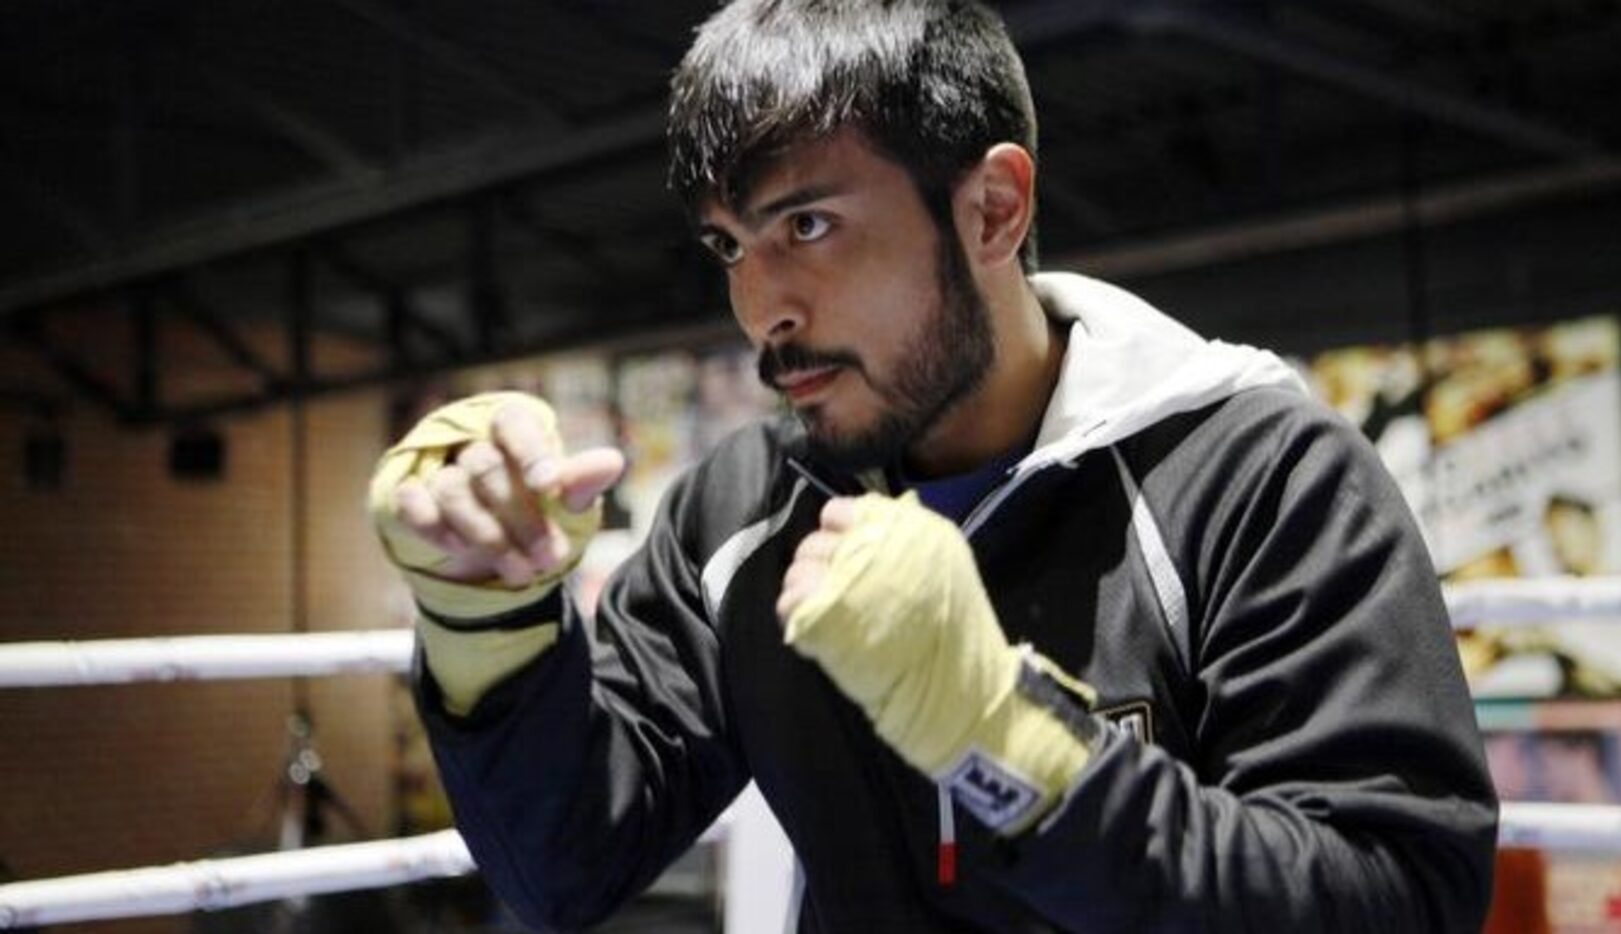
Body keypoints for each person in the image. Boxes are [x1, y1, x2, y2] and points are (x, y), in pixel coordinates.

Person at [367, 1, 1498, 930]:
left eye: (805, 224)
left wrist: (1009, 742)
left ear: (993, 210)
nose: (761, 307)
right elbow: (565, 865)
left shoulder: (1257, 478)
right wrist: (489, 618)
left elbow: (1397, 898)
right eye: (729, 245)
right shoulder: (743, 513)